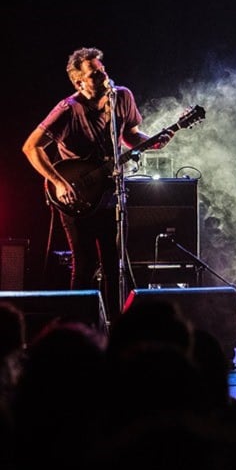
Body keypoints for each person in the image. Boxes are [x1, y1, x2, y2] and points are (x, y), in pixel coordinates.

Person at [22, 47, 172, 323]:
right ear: (79, 82)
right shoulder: (67, 109)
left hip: (109, 191)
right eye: (94, 74)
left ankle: (116, 325)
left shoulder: (122, 97)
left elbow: (131, 135)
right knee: (85, 262)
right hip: (75, 194)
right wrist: (58, 182)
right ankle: (79, 327)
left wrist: (155, 141)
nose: (104, 76)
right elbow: (31, 147)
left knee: (115, 263)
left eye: (103, 70)